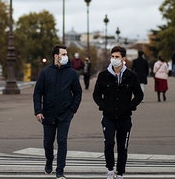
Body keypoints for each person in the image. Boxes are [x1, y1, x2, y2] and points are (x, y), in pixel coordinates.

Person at [93, 46, 143, 179]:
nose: (114, 59)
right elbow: (96, 94)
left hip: (125, 117)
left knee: (123, 146)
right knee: (109, 143)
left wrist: (131, 106)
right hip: (108, 117)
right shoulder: (103, 75)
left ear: (123, 59)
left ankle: (120, 172)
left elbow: (139, 95)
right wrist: (102, 105)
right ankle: (110, 169)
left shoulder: (131, 76)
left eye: (117, 57)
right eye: (113, 57)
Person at [33, 45, 82, 179]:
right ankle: (49, 160)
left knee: (62, 141)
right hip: (48, 114)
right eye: (63, 54)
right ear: (56, 56)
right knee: (48, 142)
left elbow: (78, 92)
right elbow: (37, 93)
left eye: (66, 54)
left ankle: (60, 170)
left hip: (65, 114)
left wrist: (73, 109)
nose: (66, 56)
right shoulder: (45, 72)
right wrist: (38, 111)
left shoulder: (72, 73)